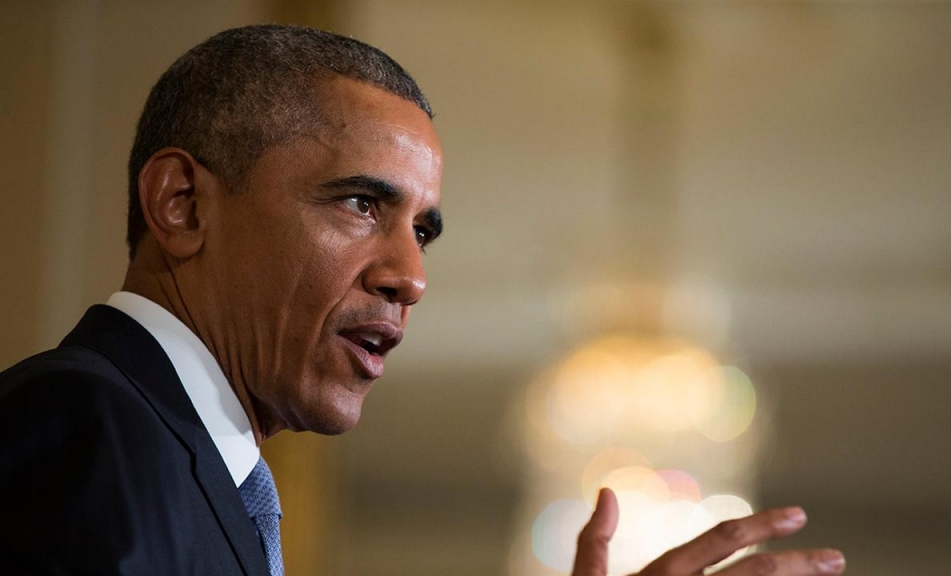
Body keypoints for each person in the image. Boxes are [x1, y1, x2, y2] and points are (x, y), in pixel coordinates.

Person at [0, 24, 844, 576]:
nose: (412, 275)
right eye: (361, 204)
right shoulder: (84, 426)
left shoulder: (191, 464)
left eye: (424, 231)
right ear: (182, 204)